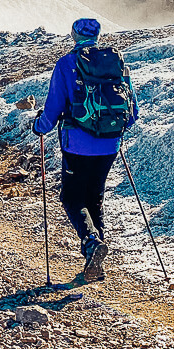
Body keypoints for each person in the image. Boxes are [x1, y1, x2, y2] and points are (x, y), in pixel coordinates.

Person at [33, 17, 138, 282]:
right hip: (110, 144)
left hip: (77, 145)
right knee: (94, 198)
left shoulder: (67, 63)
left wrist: (39, 127)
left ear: (74, 35)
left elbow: (54, 108)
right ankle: (96, 262)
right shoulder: (117, 61)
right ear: (98, 35)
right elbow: (132, 111)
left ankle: (91, 243)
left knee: (72, 198)